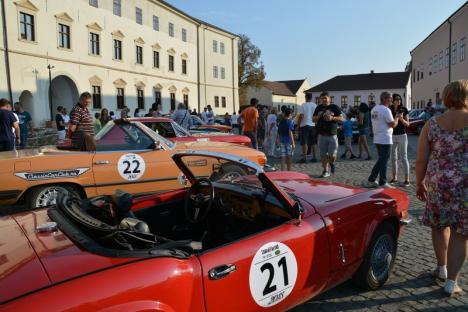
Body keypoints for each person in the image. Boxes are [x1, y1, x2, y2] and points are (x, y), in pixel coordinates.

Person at [416, 80, 467, 296]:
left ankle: (442, 269)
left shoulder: (432, 123)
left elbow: (421, 160)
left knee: (439, 226)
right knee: (461, 233)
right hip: (465, 186)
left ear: (446, 97)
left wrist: (419, 182)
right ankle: (451, 283)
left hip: (438, 184)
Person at [364, 91, 399, 188]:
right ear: (384, 98)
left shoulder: (374, 109)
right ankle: (382, 182)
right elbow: (392, 124)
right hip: (385, 138)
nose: (392, 100)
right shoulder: (385, 110)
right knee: (383, 161)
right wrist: (397, 118)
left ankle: (371, 179)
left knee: (381, 160)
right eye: (390, 98)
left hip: (377, 138)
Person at [313, 91, 343, 177]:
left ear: (329, 99)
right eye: (322, 98)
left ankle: (332, 163)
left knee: (332, 155)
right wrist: (318, 116)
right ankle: (325, 171)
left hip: (332, 134)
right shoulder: (318, 108)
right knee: (323, 154)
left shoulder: (334, 107)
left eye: (325, 98)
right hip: (322, 134)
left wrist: (332, 117)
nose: (323, 100)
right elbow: (313, 119)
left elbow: (342, 119)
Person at [389, 94, 410, 186]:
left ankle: (407, 179)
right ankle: (394, 177)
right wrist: (395, 117)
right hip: (392, 136)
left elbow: (408, 124)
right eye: (396, 99)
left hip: (402, 135)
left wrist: (401, 118)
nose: (399, 101)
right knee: (393, 158)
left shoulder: (403, 109)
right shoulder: (389, 110)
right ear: (393, 100)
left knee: (404, 157)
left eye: (400, 99)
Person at [297, 93, 318, 163]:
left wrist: (298, 125)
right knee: (313, 142)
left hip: (305, 125)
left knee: (304, 142)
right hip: (313, 125)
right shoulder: (315, 105)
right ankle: (314, 157)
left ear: (305, 97)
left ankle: (305, 158)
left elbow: (301, 116)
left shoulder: (303, 105)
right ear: (311, 98)